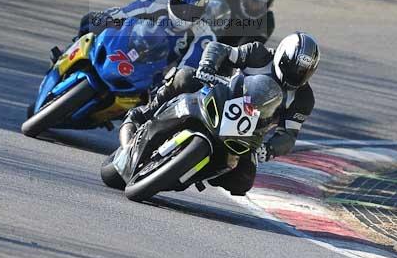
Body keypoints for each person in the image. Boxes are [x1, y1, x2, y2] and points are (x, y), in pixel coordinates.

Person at [120, 31, 320, 195]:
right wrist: (208, 65)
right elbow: (220, 49)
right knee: (185, 76)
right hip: (221, 96)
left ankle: (199, 172)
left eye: (303, 72)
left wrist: (269, 149)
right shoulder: (258, 54)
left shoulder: (303, 98)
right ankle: (146, 114)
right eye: (294, 69)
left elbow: (288, 135)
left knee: (243, 181)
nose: (296, 75)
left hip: (247, 133)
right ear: (282, 56)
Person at [78, 0, 215, 72]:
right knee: (90, 21)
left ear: (203, 11)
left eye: (192, 10)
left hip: (155, 79)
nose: (184, 12)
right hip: (125, 50)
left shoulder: (204, 35)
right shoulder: (156, 1)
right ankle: (67, 57)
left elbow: (187, 69)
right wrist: (106, 18)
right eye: (180, 6)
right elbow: (124, 13)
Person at [202, 0, 278, 46]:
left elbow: (250, 49)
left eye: (261, 3)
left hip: (228, 51)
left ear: (268, 3)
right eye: (252, 0)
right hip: (206, 32)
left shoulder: (267, 22)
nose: (255, 5)